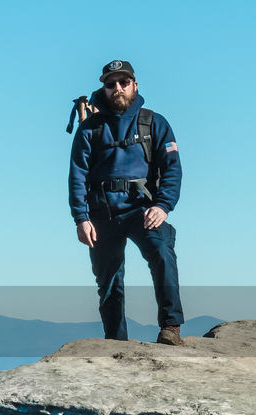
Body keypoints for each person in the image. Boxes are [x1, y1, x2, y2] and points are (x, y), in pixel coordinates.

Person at [69, 60, 185, 346]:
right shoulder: (89, 129)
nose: (117, 88)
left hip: (142, 208)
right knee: (108, 281)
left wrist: (163, 205)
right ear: (104, 89)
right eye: (111, 84)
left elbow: (172, 169)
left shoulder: (154, 123)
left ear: (135, 85)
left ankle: (170, 327)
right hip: (101, 212)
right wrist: (81, 219)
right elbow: (77, 175)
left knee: (161, 253)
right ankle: (115, 342)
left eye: (124, 82)